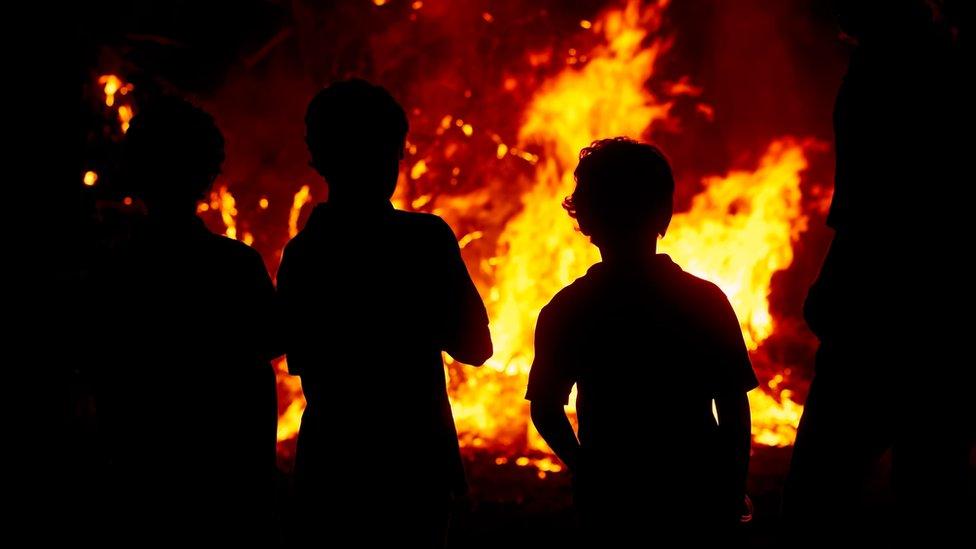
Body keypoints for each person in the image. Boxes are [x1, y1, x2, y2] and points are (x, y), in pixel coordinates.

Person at [784, 2, 972, 544]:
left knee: (818, 496)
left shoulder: (896, 69)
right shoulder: (924, 59)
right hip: (935, 318)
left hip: (883, 321)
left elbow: (882, 209)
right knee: (934, 491)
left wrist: (836, 292)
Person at [277, 79, 492, 547]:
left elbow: (293, 351)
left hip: (332, 468)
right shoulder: (426, 240)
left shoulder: (302, 254)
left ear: (317, 158)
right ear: (395, 153)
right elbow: (476, 347)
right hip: (415, 463)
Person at [526, 137, 757, 544]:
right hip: (694, 491)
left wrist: (585, 469)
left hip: (613, 499)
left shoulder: (566, 310)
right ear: (663, 215)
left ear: (586, 221)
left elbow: (546, 409)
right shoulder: (704, 301)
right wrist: (732, 483)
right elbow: (734, 407)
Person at [88, 97, 279, 544]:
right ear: (209, 177)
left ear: (135, 173)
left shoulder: (113, 271)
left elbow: (100, 363)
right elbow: (272, 339)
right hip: (227, 484)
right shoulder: (235, 266)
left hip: (141, 480)